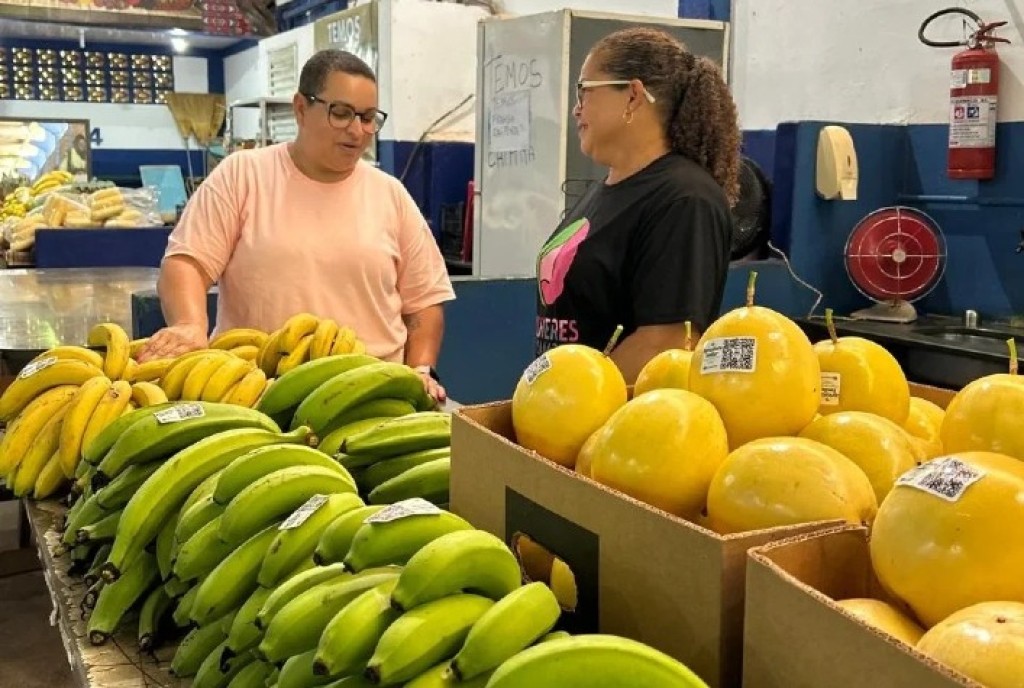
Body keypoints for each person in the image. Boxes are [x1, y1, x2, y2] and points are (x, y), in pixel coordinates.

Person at [137, 50, 455, 402]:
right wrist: (190, 324)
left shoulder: (390, 194)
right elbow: (187, 262)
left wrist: (420, 368)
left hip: (371, 396)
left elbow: (424, 301)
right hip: (251, 390)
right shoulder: (243, 175)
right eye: (341, 113)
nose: (357, 130)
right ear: (301, 108)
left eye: (368, 118)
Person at [534, 27, 741, 384]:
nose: (576, 108)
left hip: (614, 413)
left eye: (584, 91)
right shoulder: (602, 192)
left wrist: (574, 396)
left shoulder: (685, 199)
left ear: (632, 96)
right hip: (558, 403)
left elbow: (666, 341)